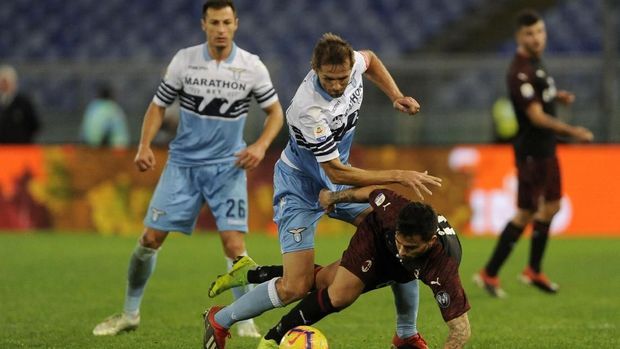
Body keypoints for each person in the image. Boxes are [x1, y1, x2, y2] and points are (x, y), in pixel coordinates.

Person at [203, 33, 442, 349]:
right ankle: (219, 320)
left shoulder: (352, 64)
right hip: (300, 187)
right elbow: (335, 171)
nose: (337, 85)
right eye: (329, 79)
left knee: (396, 232)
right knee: (295, 286)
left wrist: (395, 95)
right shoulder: (309, 108)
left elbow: (369, 58)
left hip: (340, 183)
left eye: (342, 77)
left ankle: (407, 334)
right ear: (315, 69)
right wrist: (397, 174)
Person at [92, 0, 284, 337]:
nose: (221, 30)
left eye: (226, 22)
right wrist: (144, 145)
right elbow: (157, 107)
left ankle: (244, 321)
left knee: (235, 247)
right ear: (204, 25)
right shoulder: (185, 60)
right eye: (214, 23)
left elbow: (275, 112)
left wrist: (260, 145)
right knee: (150, 239)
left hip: (228, 167)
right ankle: (130, 313)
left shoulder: (252, 67)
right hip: (183, 165)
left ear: (236, 24)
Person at [207, 186, 471, 349]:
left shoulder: (444, 268)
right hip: (373, 239)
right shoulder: (393, 211)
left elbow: (461, 330)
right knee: (340, 294)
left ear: (431, 241)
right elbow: (372, 193)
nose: (403, 250)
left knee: (322, 281)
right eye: (401, 243)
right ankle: (275, 337)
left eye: (411, 248)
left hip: (405, 265)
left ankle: (249, 273)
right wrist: (334, 197)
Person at [474, 9, 594, 298]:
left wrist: (557, 96)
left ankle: (533, 270)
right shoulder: (519, 70)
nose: (536, 37)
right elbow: (536, 117)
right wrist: (571, 131)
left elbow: (541, 97)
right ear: (519, 37)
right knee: (526, 212)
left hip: (546, 149)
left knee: (552, 206)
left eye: (539, 31)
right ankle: (489, 273)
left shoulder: (536, 65)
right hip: (532, 152)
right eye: (530, 33)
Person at [79, 84, 130, 148]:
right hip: (113, 149)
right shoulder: (113, 108)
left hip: (90, 146)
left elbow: (84, 130)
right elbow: (109, 129)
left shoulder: (92, 107)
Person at [0, 64, 40, 143]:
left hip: (20, 149)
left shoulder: (24, 103)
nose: (4, 85)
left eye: (6, 82)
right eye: (2, 82)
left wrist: (23, 138)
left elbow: (34, 125)